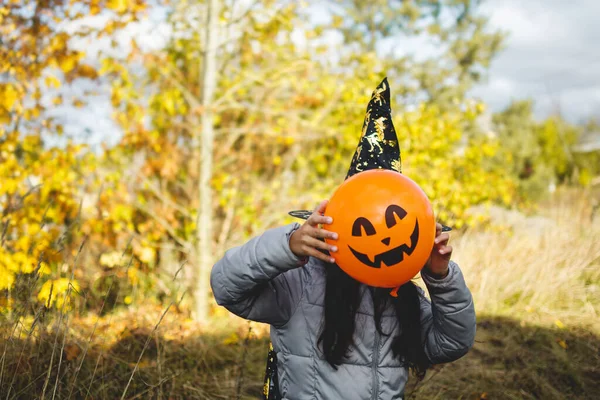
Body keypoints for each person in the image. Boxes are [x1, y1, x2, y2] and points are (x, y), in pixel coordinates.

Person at [210, 78, 476, 400]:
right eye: (364, 226)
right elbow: (226, 286)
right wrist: (288, 245)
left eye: (396, 221)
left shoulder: (402, 295)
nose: (382, 238)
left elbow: (452, 343)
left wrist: (440, 277)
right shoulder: (302, 283)